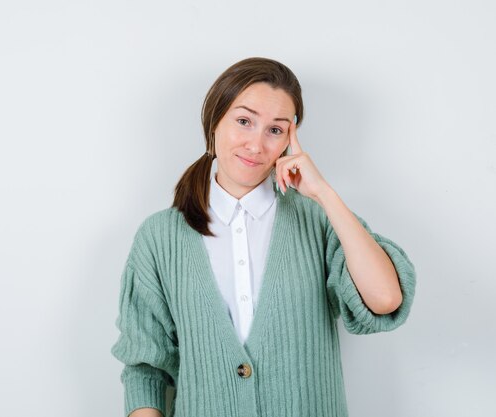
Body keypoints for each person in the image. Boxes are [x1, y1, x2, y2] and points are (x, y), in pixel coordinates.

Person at [111, 57, 416, 417]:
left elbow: (384, 299)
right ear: (214, 124)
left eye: (275, 130)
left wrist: (325, 194)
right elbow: (146, 367)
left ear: (291, 137)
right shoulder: (159, 237)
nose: (256, 144)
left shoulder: (318, 219)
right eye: (244, 121)